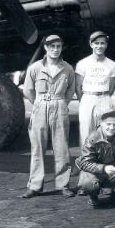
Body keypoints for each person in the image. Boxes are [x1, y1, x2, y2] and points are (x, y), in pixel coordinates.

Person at [22, 35, 75, 199]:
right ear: (45, 47)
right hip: (40, 106)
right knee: (37, 147)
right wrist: (39, 103)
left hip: (59, 106)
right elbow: (28, 91)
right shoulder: (35, 68)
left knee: (62, 148)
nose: (55, 49)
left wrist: (60, 103)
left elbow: (70, 90)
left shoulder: (67, 68)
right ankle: (35, 186)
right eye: (52, 46)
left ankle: (63, 184)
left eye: (58, 46)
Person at [75, 31, 115, 194]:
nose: (100, 46)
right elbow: (78, 87)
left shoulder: (112, 64)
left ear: (106, 45)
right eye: (96, 43)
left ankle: (106, 179)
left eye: (103, 43)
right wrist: (87, 101)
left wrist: (103, 98)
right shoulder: (82, 63)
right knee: (86, 137)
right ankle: (84, 180)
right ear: (91, 44)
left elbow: (112, 86)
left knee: (106, 137)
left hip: (105, 98)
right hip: (88, 98)